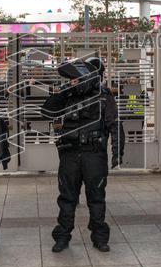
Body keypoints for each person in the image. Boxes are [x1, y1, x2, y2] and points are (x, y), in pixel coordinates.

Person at [41, 56, 122, 253]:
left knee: (96, 197)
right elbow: (46, 112)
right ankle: (62, 236)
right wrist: (62, 92)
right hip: (70, 153)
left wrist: (117, 151)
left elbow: (114, 124)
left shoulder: (104, 96)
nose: (73, 81)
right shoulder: (67, 94)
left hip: (94, 154)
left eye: (76, 78)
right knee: (67, 197)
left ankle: (99, 237)